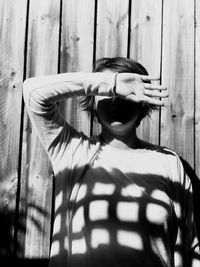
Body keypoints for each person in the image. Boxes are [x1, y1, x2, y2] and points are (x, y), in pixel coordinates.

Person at [23, 57, 200, 267]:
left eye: (128, 94)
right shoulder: (72, 152)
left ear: (143, 103)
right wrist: (111, 84)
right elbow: (33, 92)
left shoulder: (168, 163)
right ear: (93, 102)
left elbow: (190, 248)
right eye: (108, 95)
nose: (117, 101)